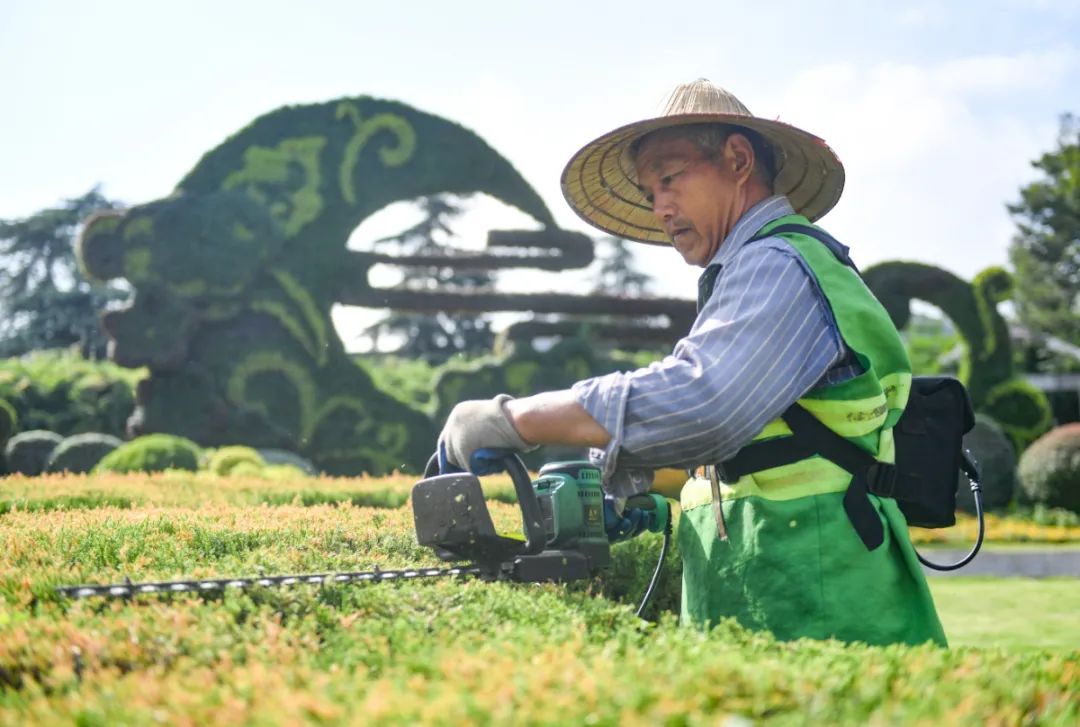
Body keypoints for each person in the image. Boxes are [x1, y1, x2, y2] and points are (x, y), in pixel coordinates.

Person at [439, 79, 946, 647]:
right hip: (791, 581)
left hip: (820, 597)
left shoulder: (776, 263)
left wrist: (516, 419)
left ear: (738, 160)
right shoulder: (756, 270)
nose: (659, 208)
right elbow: (770, 447)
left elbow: (703, 404)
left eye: (670, 178)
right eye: (649, 191)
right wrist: (646, 500)